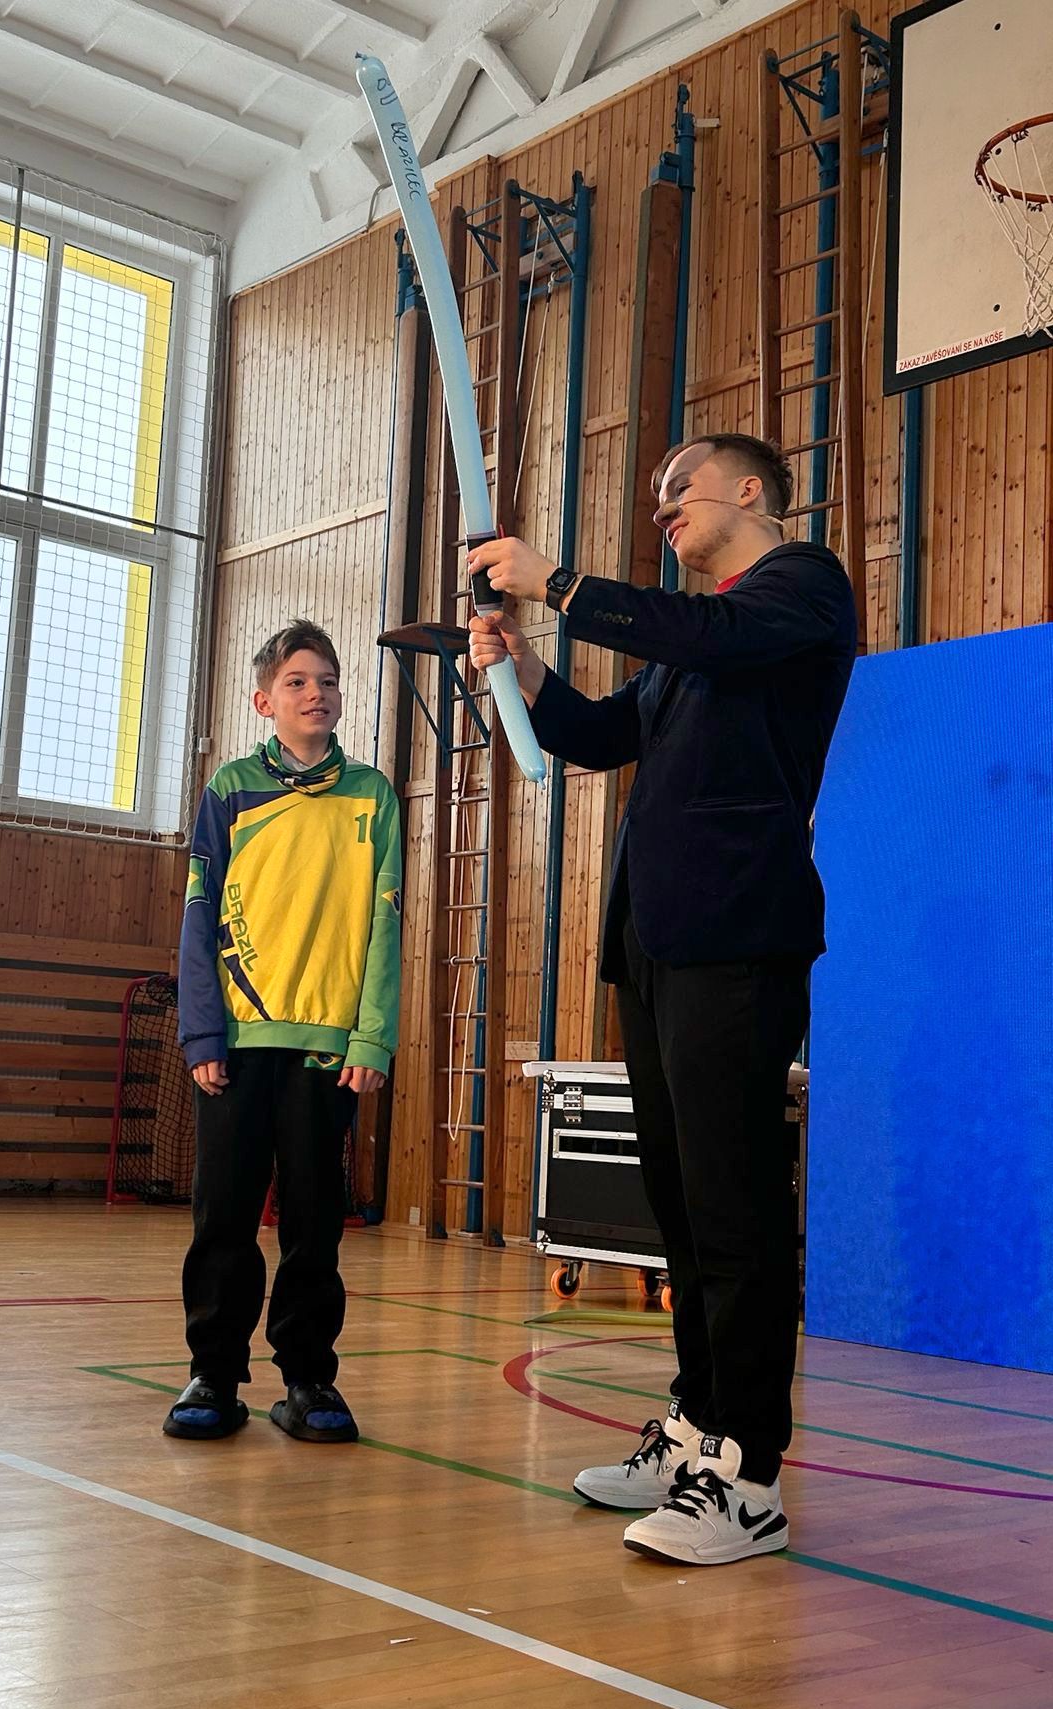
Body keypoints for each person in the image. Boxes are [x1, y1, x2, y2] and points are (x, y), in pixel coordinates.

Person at [468, 433, 857, 1565]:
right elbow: (599, 734)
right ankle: (695, 1424)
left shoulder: (799, 587)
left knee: (734, 1207)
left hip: (739, 939)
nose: (662, 507)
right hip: (655, 943)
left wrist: (555, 584)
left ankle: (748, 1475)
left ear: (750, 490)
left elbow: (706, 633)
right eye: (655, 494)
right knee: (682, 1206)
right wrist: (525, 673)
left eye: (679, 487)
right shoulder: (689, 650)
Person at [165, 618, 402, 1445]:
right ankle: (212, 1373)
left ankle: (308, 1378)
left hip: (327, 1049)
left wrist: (372, 1039)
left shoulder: (373, 795)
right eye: (297, 681)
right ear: (264, 700)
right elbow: (198, 917)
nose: (316, 693)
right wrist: (202, 1032)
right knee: (223, 1217)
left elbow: (384, 927)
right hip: (236, 1043)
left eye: (328, 680)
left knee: (314, 1222)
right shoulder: (230, 788)